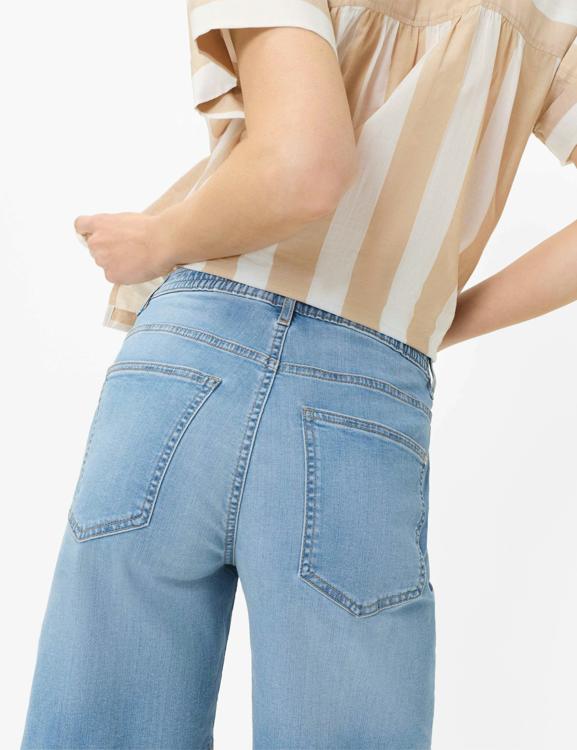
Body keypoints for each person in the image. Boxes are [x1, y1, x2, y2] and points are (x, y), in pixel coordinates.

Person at [21, 1, 577, 748]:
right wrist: (442, 316)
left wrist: (158, 238)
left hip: (185, 359)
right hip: (366, 386)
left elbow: (305, 170)